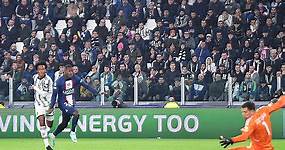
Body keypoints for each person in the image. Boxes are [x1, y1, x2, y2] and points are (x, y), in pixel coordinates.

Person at [48, 64, 98, 147]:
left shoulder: (76, 78)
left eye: (72, 71)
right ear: (65, 71)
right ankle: (73, 132)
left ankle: (53, 135)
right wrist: (51, 107)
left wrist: (97, 92)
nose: (71, 73)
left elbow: (86, 85)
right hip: (62, 103)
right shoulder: (59, 82)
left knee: (64, 123)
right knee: (76, 113)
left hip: (71, 103)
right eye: (69, 71)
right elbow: (54, 96)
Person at [219, 91, 285, 150]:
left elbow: (244, 137)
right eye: (242, 112)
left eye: (245, 112)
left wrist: (231, 140)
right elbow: (278, 104)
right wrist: (282, 96)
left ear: (252, 111)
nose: (243, 114)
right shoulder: (263, 110)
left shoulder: (250, 122)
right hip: (268, 147)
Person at [30, 62, 54, 150]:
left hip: (48, 104)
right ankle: (47, 145)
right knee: (41, 121)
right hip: (38, 104)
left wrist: (34, 88)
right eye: (40, 69)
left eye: (43, 69)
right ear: (37, 70)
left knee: (50, 125)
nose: (42, 70)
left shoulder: (48, 80)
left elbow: (44, 94)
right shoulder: (35, 77)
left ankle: (48, 133)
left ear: (45, 70)